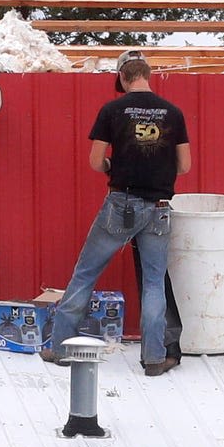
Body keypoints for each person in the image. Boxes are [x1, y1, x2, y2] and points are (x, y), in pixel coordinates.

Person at [46, 51, 190, 376]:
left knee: (85, 274)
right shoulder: (173, 113)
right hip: (159, 208)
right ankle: (154, 359)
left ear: (123, 78)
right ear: (147, 74)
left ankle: (60, 348)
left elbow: (96, 161)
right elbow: (185, 165)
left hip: (121, 204)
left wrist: (114, 165)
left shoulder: (112, 110)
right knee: (154, 282)